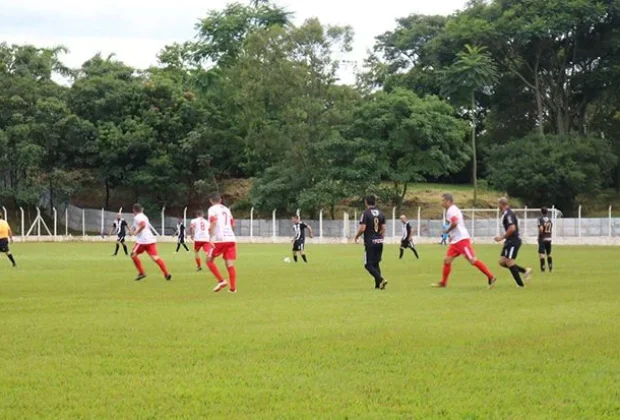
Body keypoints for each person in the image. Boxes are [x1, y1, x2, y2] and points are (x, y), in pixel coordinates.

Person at [433, 193, 496, 288]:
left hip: (462, 240)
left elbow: (454, 223)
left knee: (472, 260)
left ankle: (491, 276)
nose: (441, 203)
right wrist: (451, 235)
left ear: (448, 201)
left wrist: (447, 231)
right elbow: (454, 224)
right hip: (455, 241)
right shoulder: (451, 210)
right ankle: (443, 283)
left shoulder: (451, 210)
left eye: (443, 201)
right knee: (447, 260)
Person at [494, 197, 532, 288]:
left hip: (513, 241)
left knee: (509, 261)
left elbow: (512, 228)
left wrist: (501, 238)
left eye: (498, 204)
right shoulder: (506, 214)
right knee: (502, 262)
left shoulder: (508, 214)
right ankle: (525, 271)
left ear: (501, 204)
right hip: (509, 241)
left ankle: (520, 285)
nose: (498, 207)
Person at [130, 204, 171, 281]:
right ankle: (166, 274)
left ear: (134, 210)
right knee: (155, 258)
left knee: (133, 255)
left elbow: (142, 225)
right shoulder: (144, 216)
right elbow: (138, 225)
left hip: (142, 240)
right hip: (150, 240)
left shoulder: (137, 217)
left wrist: (136, 232)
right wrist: (133, 230)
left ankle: (141, 272)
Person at [354, 195, 387, 290]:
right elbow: (383, 228)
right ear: (375, 202)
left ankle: (381, 280)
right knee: (376, 264)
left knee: (368, 265)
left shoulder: (366, 213)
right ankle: (378, 286)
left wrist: (356, 236)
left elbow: (362, 228)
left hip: (370, 242)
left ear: (366, 202)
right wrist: (381, 238)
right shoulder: (381, 213)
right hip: (379, 241)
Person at [207, 193, 237, 293]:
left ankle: (221, 280)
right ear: (220, 200)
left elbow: (213, 222)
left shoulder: (212, 209)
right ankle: (233, 288)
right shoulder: (227, 209)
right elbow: (233, 224)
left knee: (209, 260)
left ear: (211, 201)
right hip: (231, 238)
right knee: (230, 263)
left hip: (219, 239)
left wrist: (210, 237)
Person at [538, 207, 553, 273]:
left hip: (543, 238)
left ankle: (543, 269)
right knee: (549, 253)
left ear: (541, 212)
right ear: (547, 212)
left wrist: (540, 236)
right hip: (549, 238)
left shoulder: (540, 219)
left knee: (541, 254)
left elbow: (541, 229)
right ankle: (550, 267)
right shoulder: (549, 220)